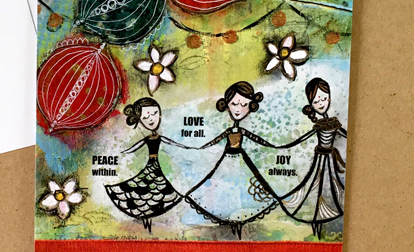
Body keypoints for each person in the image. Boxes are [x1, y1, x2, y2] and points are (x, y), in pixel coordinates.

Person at [184, 81, 278, 239]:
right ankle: (229, 219)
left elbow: (257, 139)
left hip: (241, 159)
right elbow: (215, 141)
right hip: (226, 160)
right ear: (227, 105)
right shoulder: (229, 130)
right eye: (234, 104)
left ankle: (239, 222)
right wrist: (198, 148)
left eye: (244, 104)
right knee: (220, 184)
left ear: (250, 106)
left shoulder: (242, 130)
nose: (238, 109)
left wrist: (275, 146)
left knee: (245, 185)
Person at [105, 97, 190, 233]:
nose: (151, 119)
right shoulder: (147, 138)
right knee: (144, 189)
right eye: (145, 117)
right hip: (150, 165)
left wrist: (187, 147)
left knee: (158, 190)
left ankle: (149, 221)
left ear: (160, 114)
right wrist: (123, 152)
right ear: (140, 120)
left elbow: (172, 143)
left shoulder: (159, 137)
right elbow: (134, 148)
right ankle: (146, 222)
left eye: (155, 114)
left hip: (156, 166)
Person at [279, 78, 346, 238]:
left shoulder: (335, 122)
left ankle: (325, 219)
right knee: (314, 185)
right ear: (311, 104)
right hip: (320, 159)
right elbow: (304, 137)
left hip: (330, 159)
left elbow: (344, 134)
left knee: (332, 186)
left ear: (329, 98)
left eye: (324, 98)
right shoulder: (318, 125)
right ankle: (315, 220)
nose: (321, 103)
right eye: (316, 101)